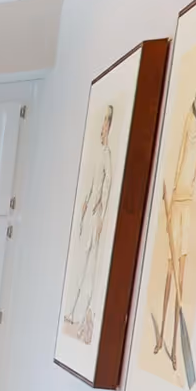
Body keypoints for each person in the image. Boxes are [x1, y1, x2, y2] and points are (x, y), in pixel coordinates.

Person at [151, 47, 196, 386]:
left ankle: (176, 341)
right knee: (168, 270)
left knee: (183, 271)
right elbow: (177, 158)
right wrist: (171, 189)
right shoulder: (190, 113)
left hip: (190, 198)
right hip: (178, 196)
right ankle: (163, 338)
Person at [62, 104, 115, 342]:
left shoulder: (107, 156)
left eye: (107, 122)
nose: (103, 126)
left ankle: (83, 313)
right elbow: (92, 186)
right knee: (81, 266)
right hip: (88, 213)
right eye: (103, 122)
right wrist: (84, 205)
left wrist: (100, 213)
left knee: (89, 267)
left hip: (96, 217)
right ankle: (74, 311)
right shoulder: (96, 153)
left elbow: (107, 185)